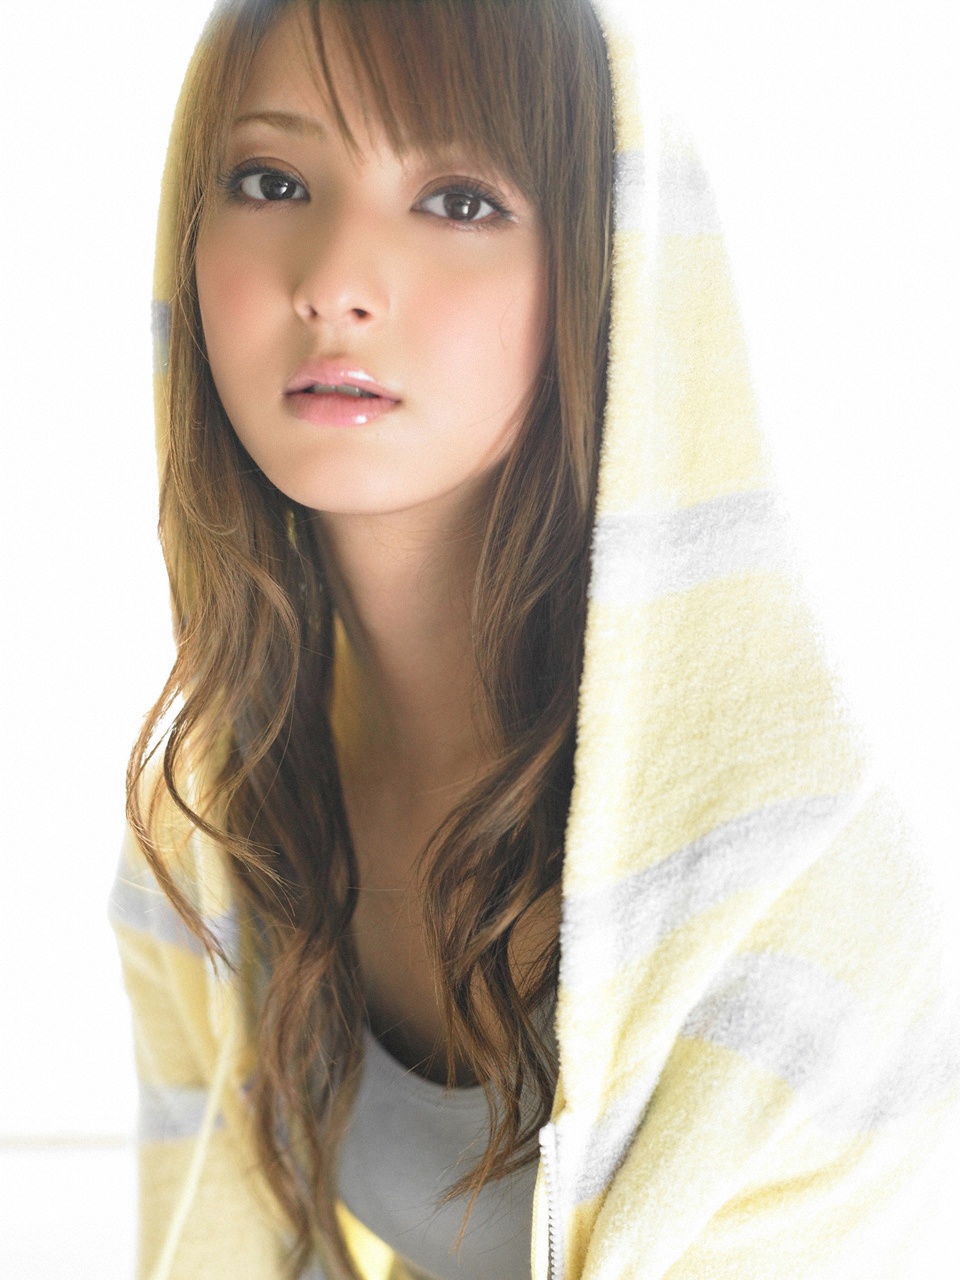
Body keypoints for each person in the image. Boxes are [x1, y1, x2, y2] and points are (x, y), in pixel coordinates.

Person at [108, 1, 960, 1279]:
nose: (335, 280)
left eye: (458, 200)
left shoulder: (804, 910)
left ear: (609, 267)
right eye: (272, 181)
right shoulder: (207, 822)